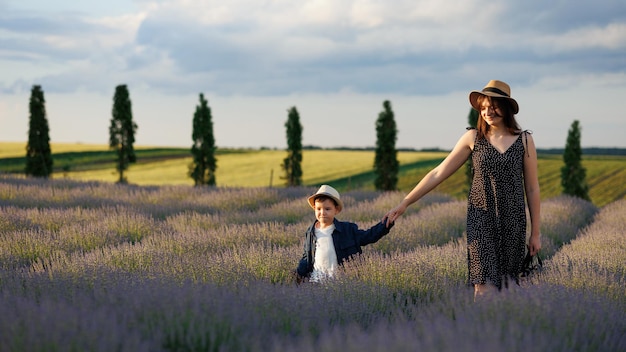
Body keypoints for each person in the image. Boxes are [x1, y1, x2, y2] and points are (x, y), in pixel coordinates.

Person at [383, 80, 541, 300]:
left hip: (512, 220)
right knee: (483, 286)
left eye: (493, 106)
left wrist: (535, 233)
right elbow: (438, 173)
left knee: (508, 286)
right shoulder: (473, 138)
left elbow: (532, 189)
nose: (487, 112)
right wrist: (405, 202)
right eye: (483, 107)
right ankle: (477, 331)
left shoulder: (524, 140)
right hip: (481, 219)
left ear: (506, 107)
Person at [295, 184, 394, 284]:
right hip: (316, 283)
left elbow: (369, 236)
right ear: (314, 209)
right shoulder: (310, 232)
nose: (322, 212)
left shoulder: (348, 230)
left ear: (336, 210)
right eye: (318, 209)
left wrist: (386, 224)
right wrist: (298, 276)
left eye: (327, 209)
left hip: (340, 283)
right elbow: (306, 258)